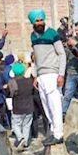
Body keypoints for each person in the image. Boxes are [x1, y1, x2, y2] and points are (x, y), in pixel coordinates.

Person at [28, 8, 66, 146]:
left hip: (52, 73)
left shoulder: (52, 34)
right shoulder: (33, 36)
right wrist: (36, 75)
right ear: (32, 22)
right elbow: (36, 57)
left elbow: (62, 54)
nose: (39, 22)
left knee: (55, 104)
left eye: (41, 20)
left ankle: (58, 134)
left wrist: (61, 74)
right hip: (41, 75)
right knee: (46, 106)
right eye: (37, 21)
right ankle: (53, 132)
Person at [7, 62, 34, 150]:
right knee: (27, 125)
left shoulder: (12, 82)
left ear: (14, 72)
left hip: (18, 107)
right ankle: (25, 142)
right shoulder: (29, 81)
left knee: (16, 125)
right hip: (29, 106)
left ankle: (20, 138)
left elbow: (9, 94)